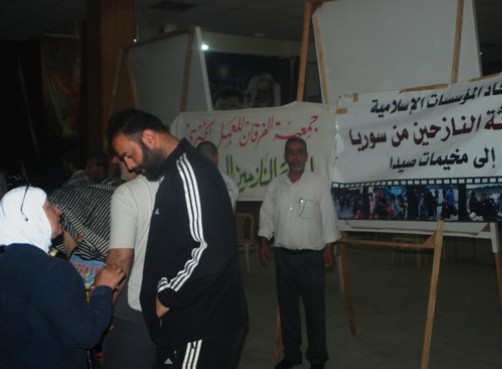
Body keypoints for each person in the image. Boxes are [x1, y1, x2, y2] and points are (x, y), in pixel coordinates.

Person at [106, 108, 248, 369]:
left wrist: (166, 296)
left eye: (128, 155)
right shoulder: (173, 172)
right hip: (189, 322)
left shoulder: (187, 171)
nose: (130, 165)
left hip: (199, 325)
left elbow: (209, 250)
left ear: (149, 138)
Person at [0, 185, 125, 369]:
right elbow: (87, 334)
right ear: (31, 217)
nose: (58, 210)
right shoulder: (53, 271)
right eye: (49, 207)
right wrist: (103, 288)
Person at [258, 136, 339, 369]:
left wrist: (329, 247)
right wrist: (263, 241)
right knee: (288, 309)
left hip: (311, 258)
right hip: (283, 257)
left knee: (314, 310)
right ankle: (292, 354)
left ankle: (317, 358)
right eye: (291, 152)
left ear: (306, 157)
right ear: (285, 156)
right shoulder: (276, 185)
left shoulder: (318, 183)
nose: (295, 156)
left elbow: (328, 216)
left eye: (299, 152)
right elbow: (267, 215)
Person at [102, 161, 159, 369]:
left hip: (135, 310)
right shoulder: (185, 185)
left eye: (120, 154)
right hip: (174, 304)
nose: (115, 162)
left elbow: (120, 258)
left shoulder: (128, 193)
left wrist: (102, 310)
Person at [196, 140, 238, 210]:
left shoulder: (190, 181)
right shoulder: (230, 182)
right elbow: (231, 211)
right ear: (217, 157)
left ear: (196, 158)